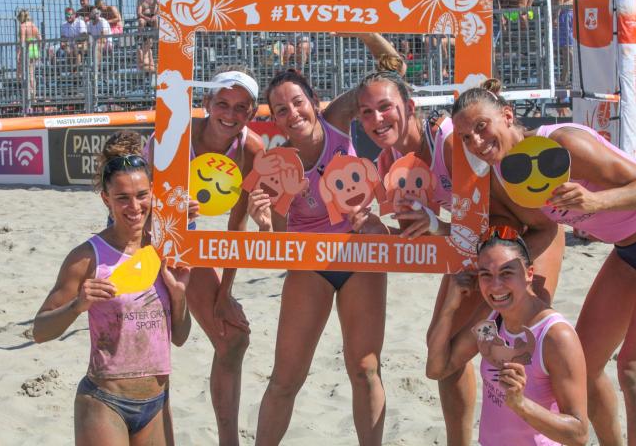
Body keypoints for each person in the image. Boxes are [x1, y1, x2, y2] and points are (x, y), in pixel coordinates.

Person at [451, 79, 636, 445]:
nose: (476, 141)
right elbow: (542, 229)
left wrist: (596, 201)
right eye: (466, 137)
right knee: (586, 367)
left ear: (507, 116)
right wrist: (490, 269)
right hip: (626, 250)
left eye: (481, 126)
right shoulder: (504, 178)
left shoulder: (564, 144)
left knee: (635, 371)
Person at [354, 69, 564, 446]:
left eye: (385, 107)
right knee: (447, 354)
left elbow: (508, 217)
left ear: (409, 106)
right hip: (479, 248)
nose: (376, 118)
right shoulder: (389, 164)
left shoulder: (451, 142)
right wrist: (382, 232)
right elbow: (428, 234)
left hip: (531, 235)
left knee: (528, 349)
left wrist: (439, 225)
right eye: (366, 112)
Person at [250, 34, 398, 446]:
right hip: (310, 261)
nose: (292, 113)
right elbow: (281, 241)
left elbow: (392, 68)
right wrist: (265, 221)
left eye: (298, 102)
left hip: (359, 253)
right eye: (281, 110)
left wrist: (360, 27)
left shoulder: (335, 119)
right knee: (285, 378)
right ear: (274, 120)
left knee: (365, 370)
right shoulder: (277, 163)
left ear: (314, 101)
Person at [32, 131, 192, 444]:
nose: (134, 206)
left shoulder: (165, 252)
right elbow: (40, 331)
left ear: (152, 192)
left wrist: (179, 296)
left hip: (157, 402)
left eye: (142, 195)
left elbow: (181, 337)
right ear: (106, 198)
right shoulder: (87, 257)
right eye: (122, 198)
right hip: (105, 402)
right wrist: (77, 306)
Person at [147, 66, 266, 446]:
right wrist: (168, 209)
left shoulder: (251, 150)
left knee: (233, 338)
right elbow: (134, 207)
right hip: (144, 234)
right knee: (150, 349)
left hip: (185, 237)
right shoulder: (175, 135)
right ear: (206, 102)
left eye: (241, 107)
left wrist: (225, 293)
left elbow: (237, 225)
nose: (230, 114)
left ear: (252, 112)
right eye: (223, 103)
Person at [426, 227, 589, 446]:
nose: (496, 286)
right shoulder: (491, 317)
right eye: (486, 274)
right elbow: (437, 369)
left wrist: (521, 404)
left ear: (529, 274)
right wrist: (449, 307)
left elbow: (579, 434)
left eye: (506, 273)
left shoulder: (555, 336)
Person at [16, 9, 41, 100]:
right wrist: (38, 48)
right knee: (31, 73)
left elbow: (22, 42)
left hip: (26, 50)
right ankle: (33, 93)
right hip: (34, 49)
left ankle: (29, 94)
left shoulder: (23, 26)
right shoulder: (33, 25)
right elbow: (40, 39)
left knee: (23, 74)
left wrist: (18, 54)